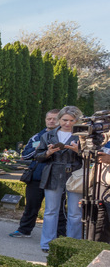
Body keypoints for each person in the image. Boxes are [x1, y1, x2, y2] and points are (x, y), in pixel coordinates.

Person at [10, 109, 67, 238]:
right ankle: (24, 230)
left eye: (54, 119)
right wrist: (39, 148)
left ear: (60, 120)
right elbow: (25, 155)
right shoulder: (37, 136)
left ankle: (61, 235)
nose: (51, 121)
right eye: (49, 118)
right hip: (37, 176)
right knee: (31, 206)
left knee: (59, 208)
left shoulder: (64, 136)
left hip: (56, 177)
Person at [34, 106, 83, 253]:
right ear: (59, 119)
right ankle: (47, 244)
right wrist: (48, 152)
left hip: (75, 175)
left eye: (72, 120)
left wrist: (79, 151)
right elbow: (38, 157)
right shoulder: (48, 135)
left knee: (75, 213)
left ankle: (73, 245)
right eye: (65, 120)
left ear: (77, 121)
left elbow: (91, 157)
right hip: (53, 173)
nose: (68, 123)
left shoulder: (83, 135)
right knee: (50, 211)